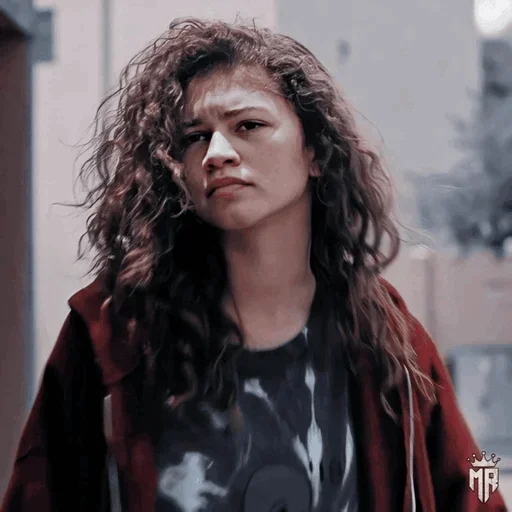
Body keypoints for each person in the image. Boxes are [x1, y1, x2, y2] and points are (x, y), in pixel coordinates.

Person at [1, 17, 507, 512]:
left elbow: (477, 473)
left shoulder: (385, 333)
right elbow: (32, 491)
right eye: (195, 136)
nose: (217, 153)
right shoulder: (111, 332)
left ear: (314, 151)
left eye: (248, 125)